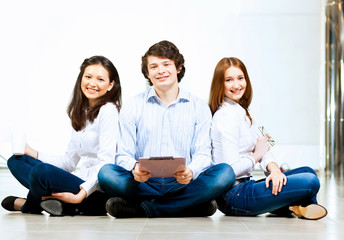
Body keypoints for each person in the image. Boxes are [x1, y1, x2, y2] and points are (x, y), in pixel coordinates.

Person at [98, 40, 235, 218]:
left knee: (225, 173)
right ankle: (187, 206)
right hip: (143, 183)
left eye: (166, 64)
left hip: (183, 183)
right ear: (147, 73)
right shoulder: (133, 105)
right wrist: (135, 169)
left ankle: (146, 209)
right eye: (153, 66)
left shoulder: (198, 107)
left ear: (178, 67)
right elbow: (123, 154)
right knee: (106, 173)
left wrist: (191, 171)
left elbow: (203, 154)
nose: (160, 71)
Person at [209, 57, 327, 220]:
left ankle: (294, 206)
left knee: (308, 171)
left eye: (240, 78)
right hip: (233, 197)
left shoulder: (241, 112)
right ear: (220, 84)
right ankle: (296, 205)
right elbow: (230, 171)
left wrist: (275, 171)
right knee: (310, 182)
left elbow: (264, 149)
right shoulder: (225, 117)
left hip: (246, 186)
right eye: (229, 80)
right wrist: (255, 156)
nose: (236, 85)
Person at [1, 55, 121, 216]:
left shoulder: (109, 111)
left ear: (110, 85)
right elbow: (69, 162)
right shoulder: (81, 112)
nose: (92, 83)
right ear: (81, 79)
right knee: (16, 161)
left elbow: (106, 163)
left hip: (95, 191)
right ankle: (51, 203)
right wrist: (33, 152)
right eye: (88, 77)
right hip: (79, 181)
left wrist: (80, 195)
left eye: (100, 79)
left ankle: (29, 205)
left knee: (42, 172)